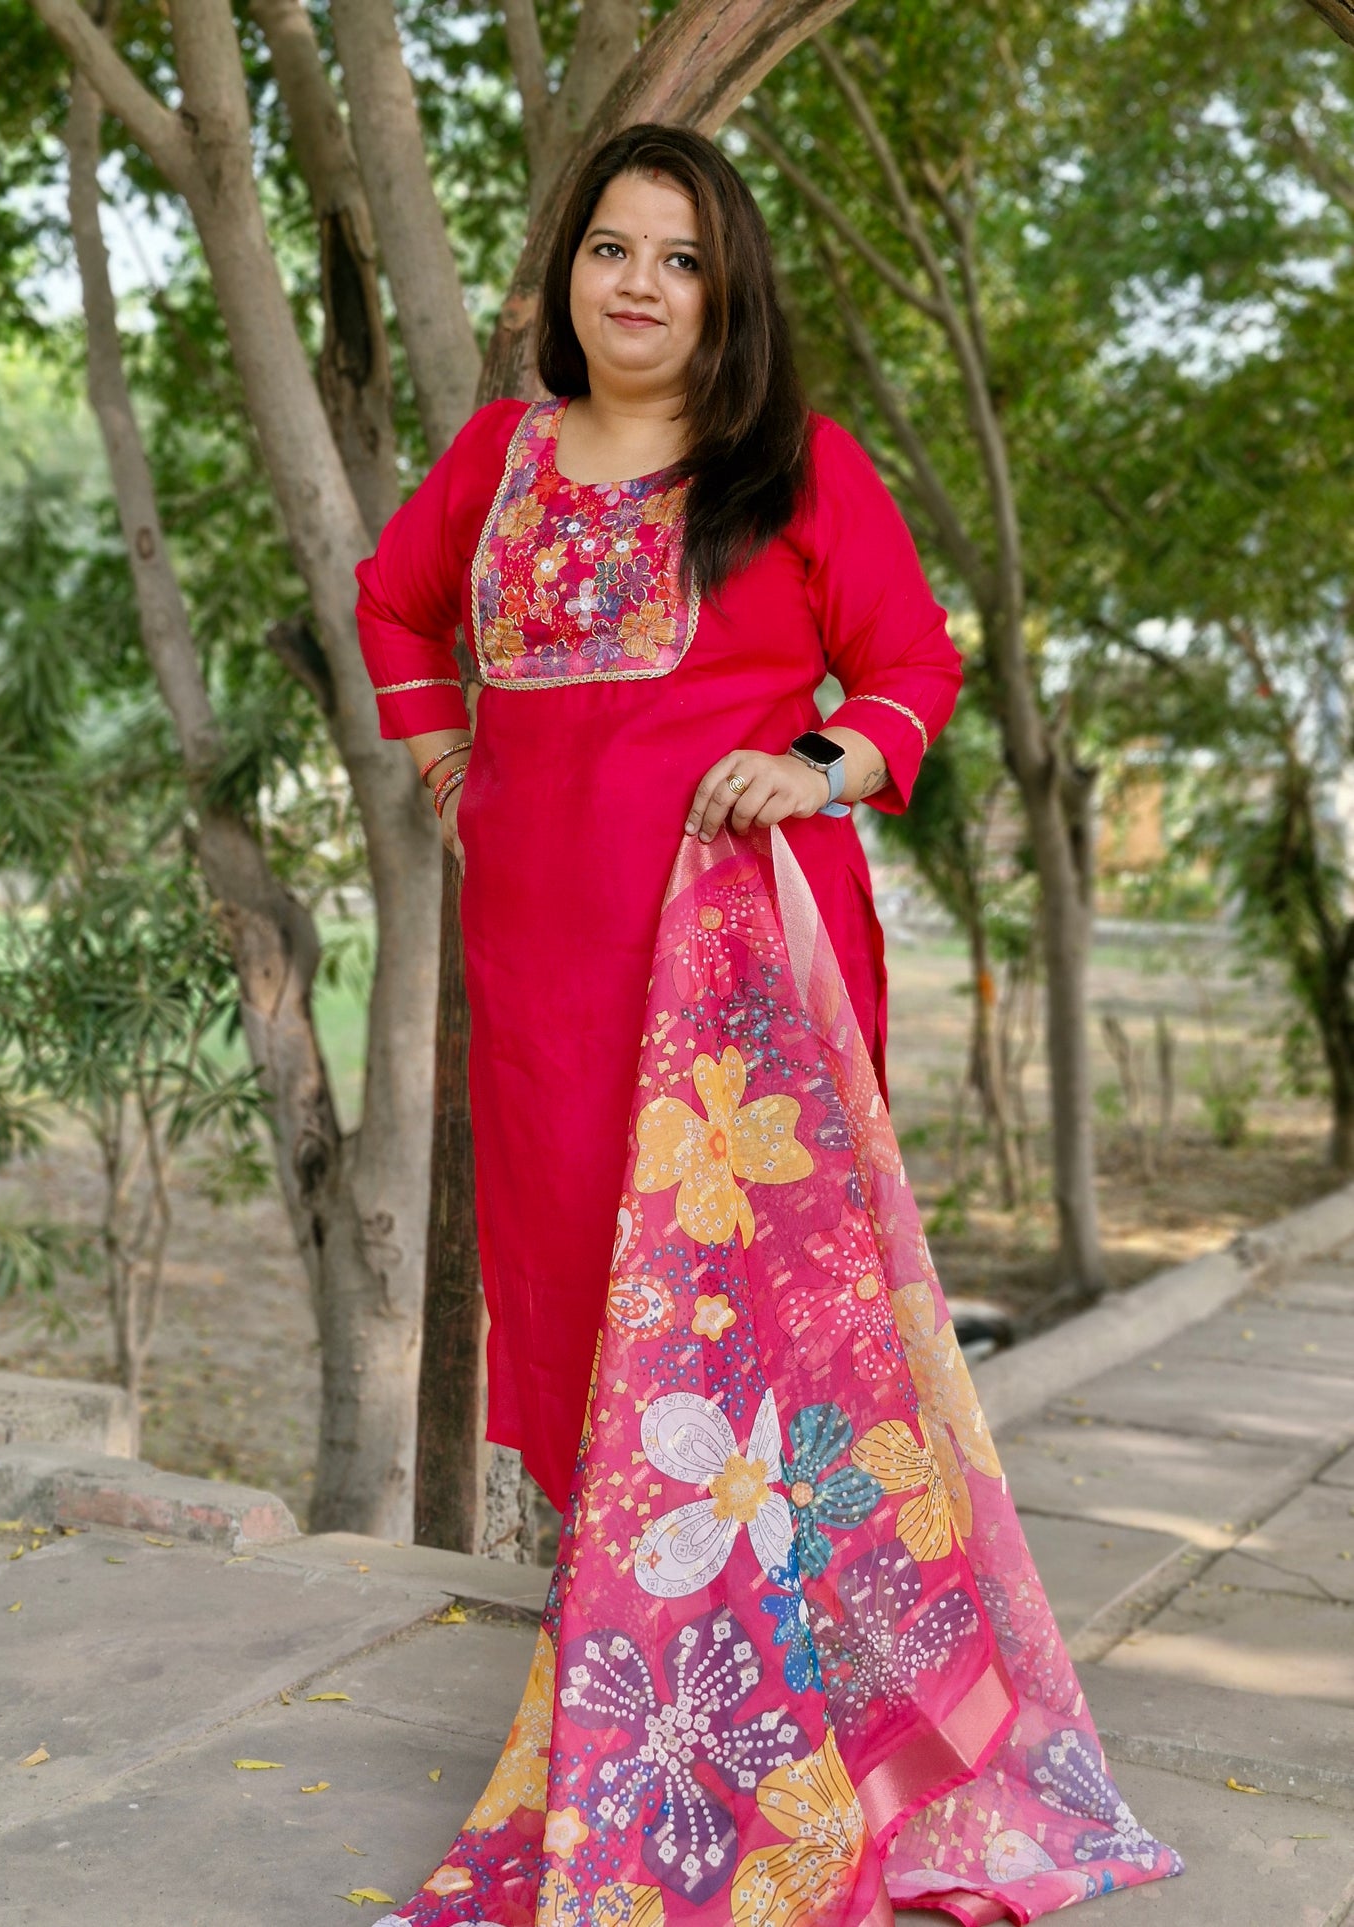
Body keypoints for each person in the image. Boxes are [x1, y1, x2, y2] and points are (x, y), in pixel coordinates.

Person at [356, 123, 1179, 1927]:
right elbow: (396, 606)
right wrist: (441, 764)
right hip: (544, 978)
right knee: (592, 1329)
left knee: (764, 1354)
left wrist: (807, 761)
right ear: (562, 273)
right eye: (610, 250)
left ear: (724, 296)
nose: (639, 285)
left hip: (733, 989)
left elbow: (910, 672)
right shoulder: (497, 460)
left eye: (680, 259)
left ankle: (814, 1742)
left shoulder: (792, 467)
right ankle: (657, 1705)